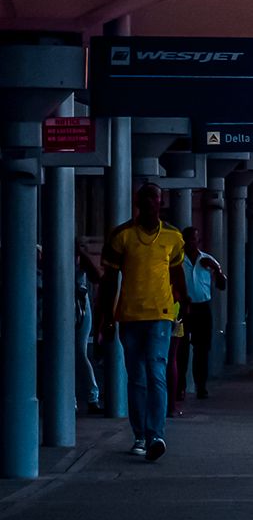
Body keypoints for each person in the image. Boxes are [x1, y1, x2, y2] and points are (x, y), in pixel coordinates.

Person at [99, 183, 185, 462]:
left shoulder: (173, 236)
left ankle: (155, 434)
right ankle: (140, 435)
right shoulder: (121, 236)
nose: (150, 207)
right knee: (136, 377)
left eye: (155, 201)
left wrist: (182, 310)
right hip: (129, 315)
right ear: (138, 204)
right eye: (145, 202)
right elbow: (109, 280)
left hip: (161, 315)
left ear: (161, 203)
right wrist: (106, 319)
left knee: (155, 372)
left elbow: (178, 276)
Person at [178, 223, 225, 400]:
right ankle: (180, 386)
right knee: (181, 349)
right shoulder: (178, 260)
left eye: (195, 239)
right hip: (182, 308)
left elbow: (222, 285)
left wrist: (216, 269)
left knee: (202, 349)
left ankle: (201, 385)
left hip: (202, 308)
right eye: (189, 239)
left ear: (199, 241)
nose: (192, 242)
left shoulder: (206, 260)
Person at [75, 237, 104, 414]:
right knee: (67, 354)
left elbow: (96, 276)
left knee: (79, 352)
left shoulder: (79, 260)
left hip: (79, 308)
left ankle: (92, 395)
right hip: (63, 307)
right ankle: (73, 398)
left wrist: (82, 254)